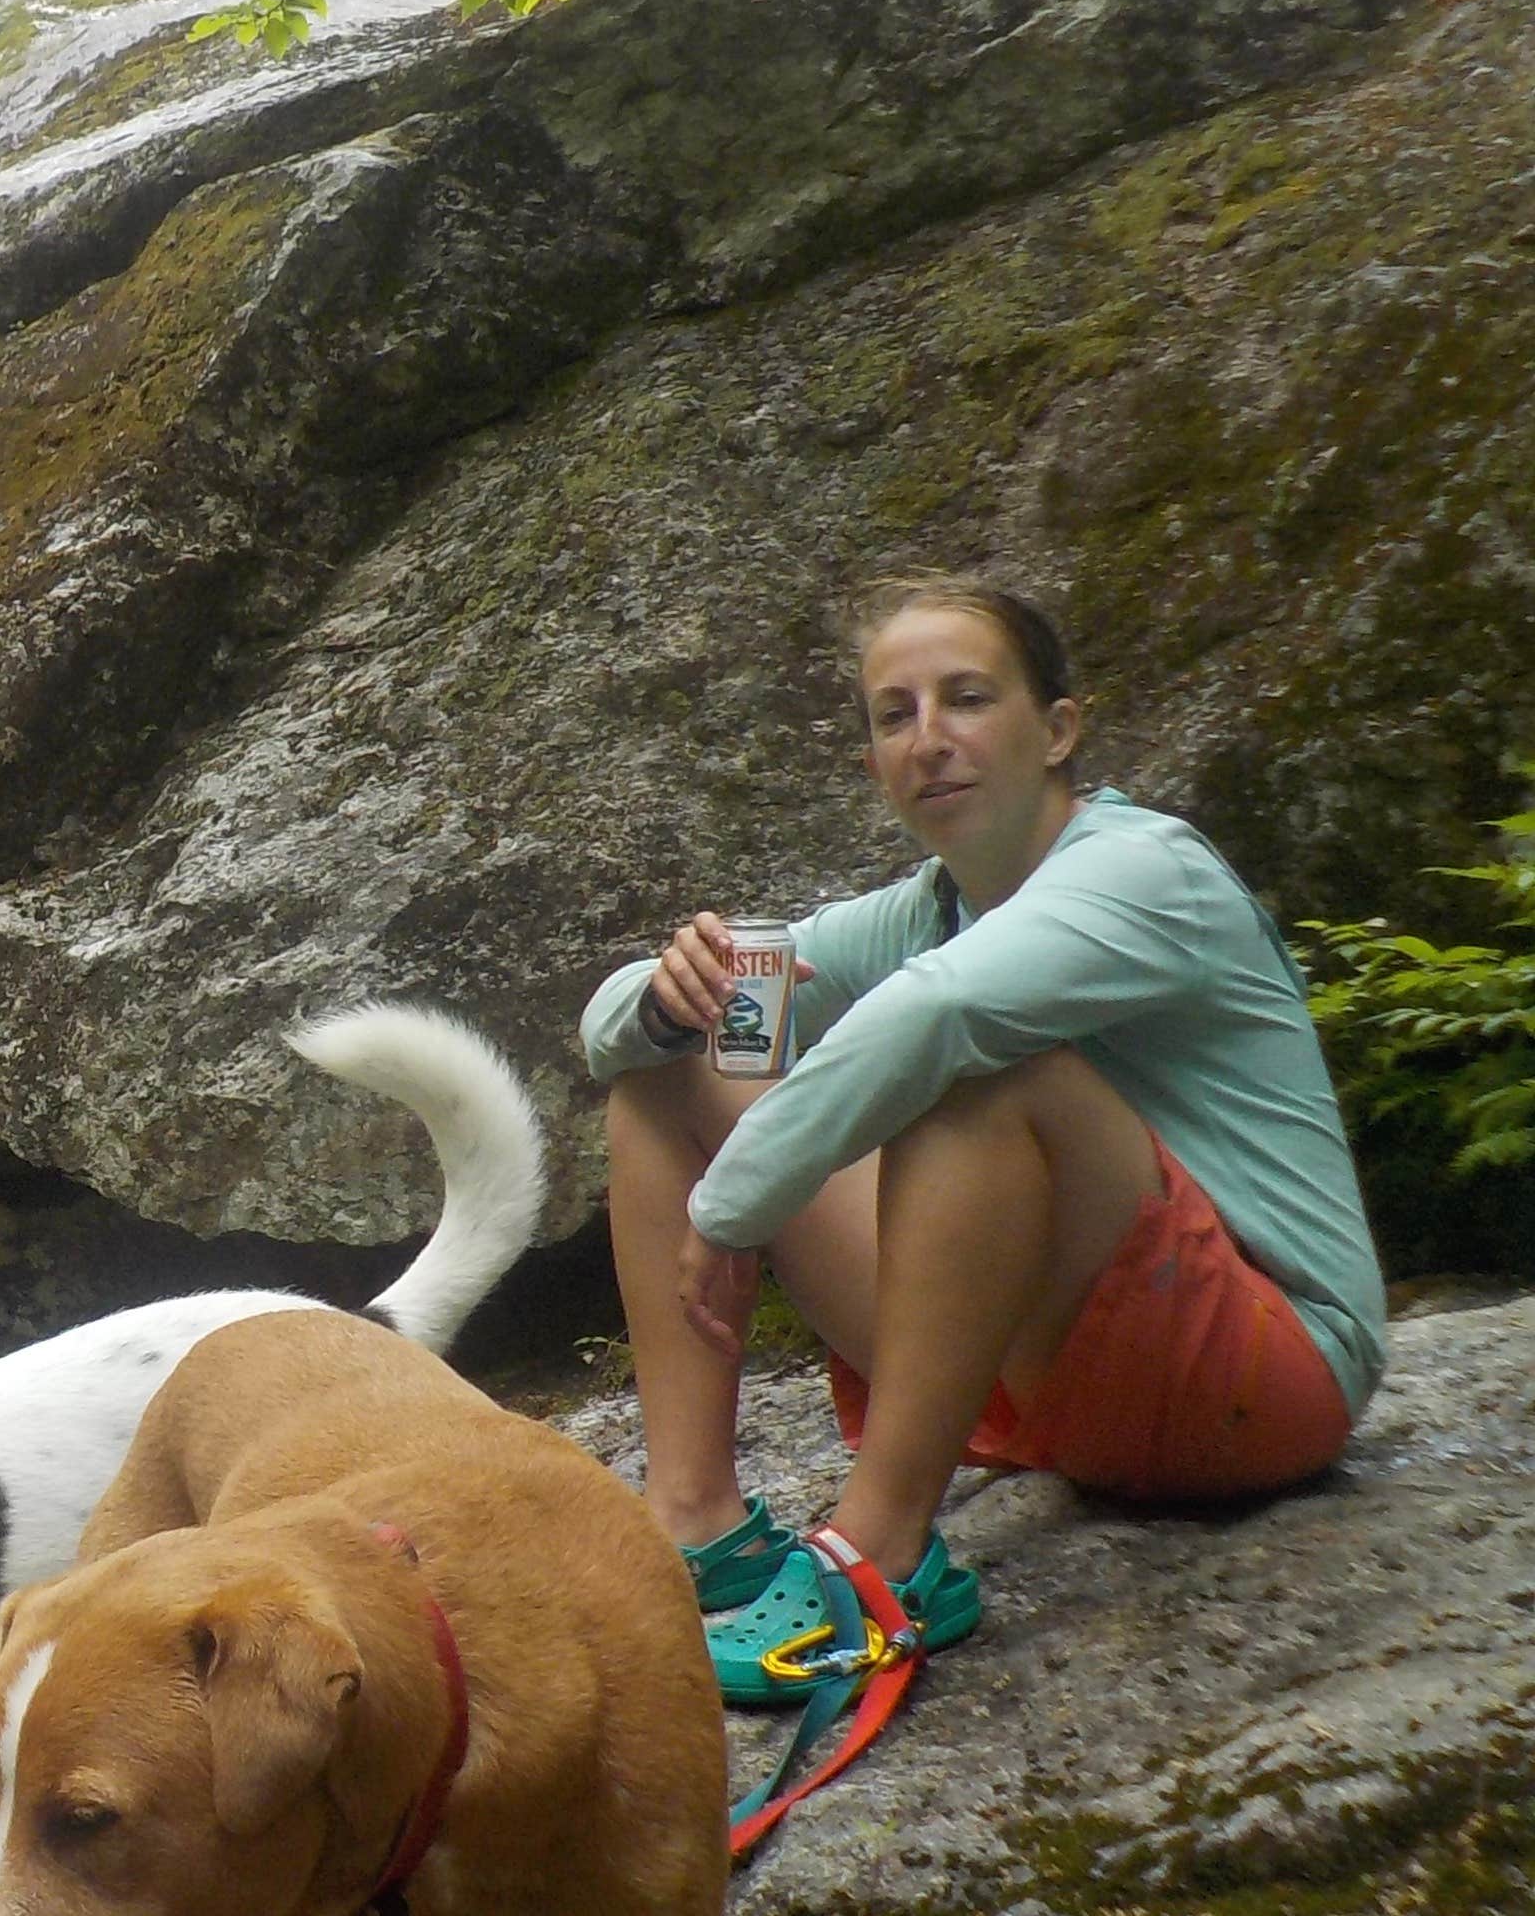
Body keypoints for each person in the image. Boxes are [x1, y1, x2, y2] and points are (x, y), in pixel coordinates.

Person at [581, 580, 1385, 1705]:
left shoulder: (1148, 870)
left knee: (986, 1073)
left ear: (1057, 729)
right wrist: (664, 998)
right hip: (1061, 1384)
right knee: (676, 1067)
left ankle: (882, 1553)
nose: (931, 738)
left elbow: (937, 1017)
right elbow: (620, 1031)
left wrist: (732, 1211)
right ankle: (697, 1521)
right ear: (872, 760)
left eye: (966, 698)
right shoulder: (927, 909)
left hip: (1263, 1373)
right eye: (895, 714)